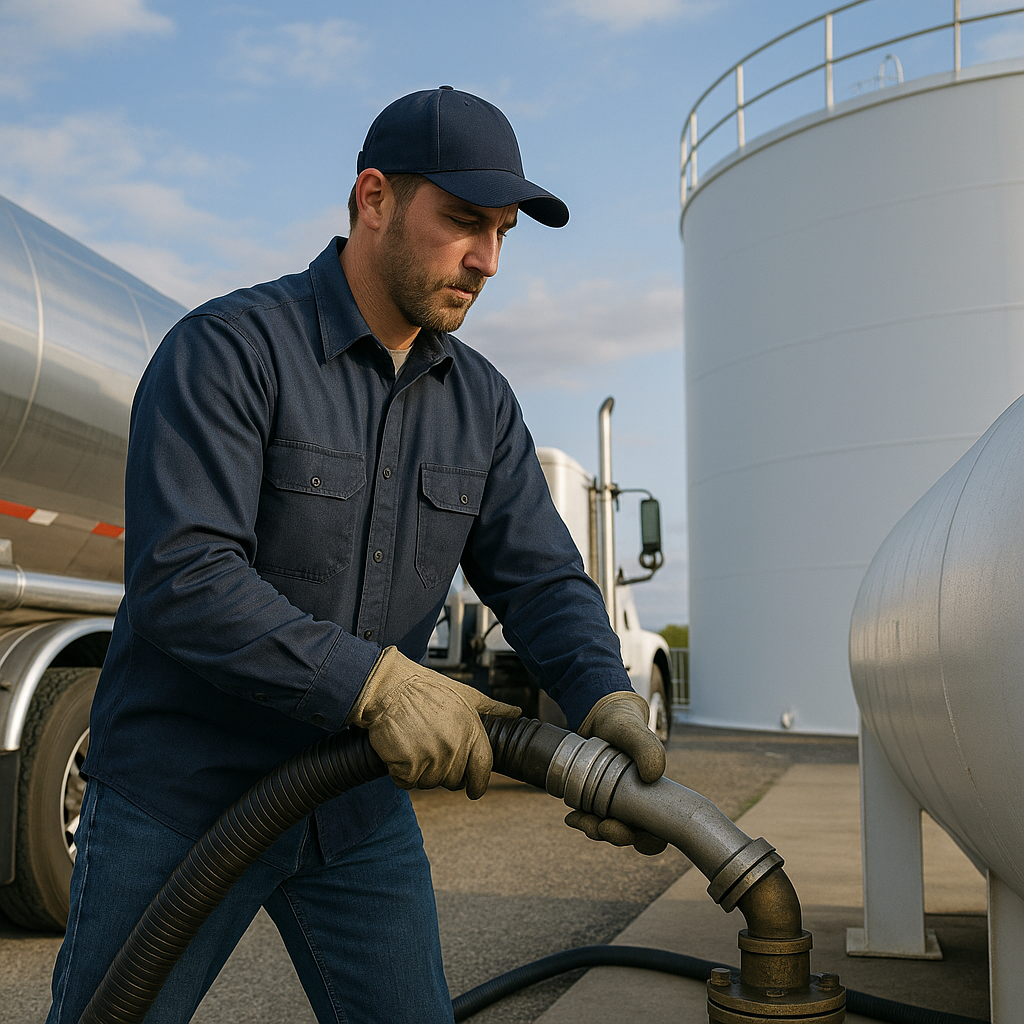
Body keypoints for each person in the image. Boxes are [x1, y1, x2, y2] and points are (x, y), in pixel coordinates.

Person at [46, 87, 666, 1024]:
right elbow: (185, 579)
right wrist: (376, 685)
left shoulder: (482, 405)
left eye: (503, 231)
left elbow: (540, 577)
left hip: (353, 812)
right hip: (181, 800)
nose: (488, 260)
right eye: (463, 221)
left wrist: (604, 697)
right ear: (373, 198)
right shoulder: (227, 351)